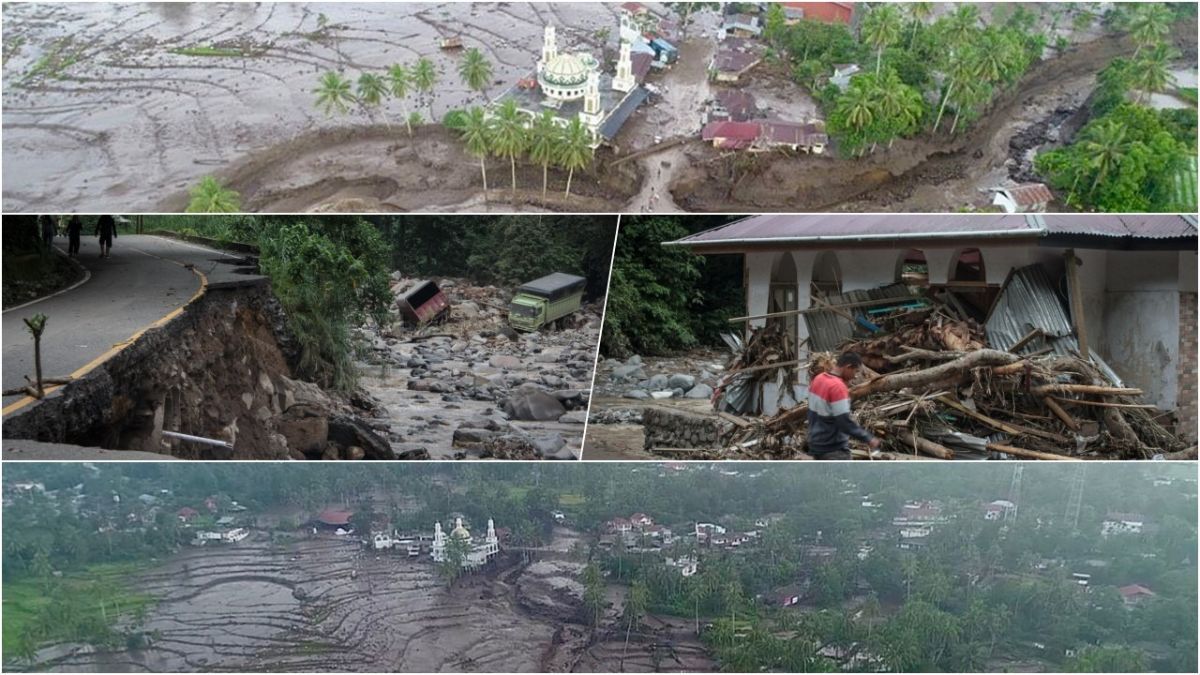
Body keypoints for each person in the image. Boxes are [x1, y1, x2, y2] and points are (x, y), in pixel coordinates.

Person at [806, 351, 881, 460]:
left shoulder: (818, 379)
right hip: (833, 450)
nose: (855, 376)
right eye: (855, 371)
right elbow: (844, 422)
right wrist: (868, 438)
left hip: (816, 445)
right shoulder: (838, 388)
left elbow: (811, 413)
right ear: (848, 367)